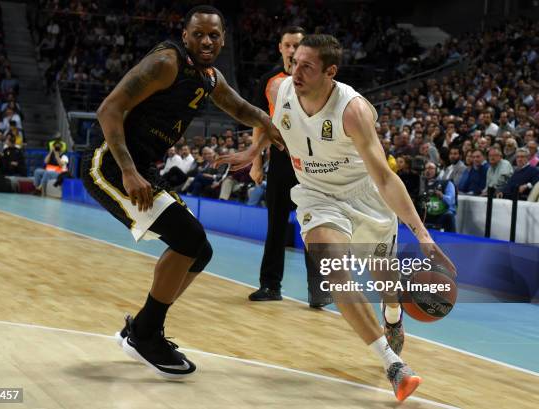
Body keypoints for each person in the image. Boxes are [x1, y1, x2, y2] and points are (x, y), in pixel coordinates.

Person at [218, 34, 455, 402]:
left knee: (385, 283)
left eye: (306, 66)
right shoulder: (280, 88)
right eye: (295, 62)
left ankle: (393, 313)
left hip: (366, 196)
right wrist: (253, 151)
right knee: (334, 267)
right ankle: (393, 364)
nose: (296, 71)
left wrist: (423, 236)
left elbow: (385, 177)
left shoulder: (353, 110)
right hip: (316, 193)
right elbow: (273, 123)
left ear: (330, 72)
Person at [81, 6, 283, 379]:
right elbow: (108, 108)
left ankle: (141, 327)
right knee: (189, 238)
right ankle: (145, 334)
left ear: (223, 39)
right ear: (186, 35)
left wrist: (269, 125)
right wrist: (127, 171)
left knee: (199, 251)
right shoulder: (166, 62)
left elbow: (238, 106)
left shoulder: (208, 77)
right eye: (199, 34)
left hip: (142, 171)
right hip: (110, 167)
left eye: (214, 35)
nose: (207, 41)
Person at [248, 26, 325, 306]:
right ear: (280, 47)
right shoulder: (270, 81)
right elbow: (260, 123)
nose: (293, 50)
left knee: (314, 227)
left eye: (298, 45)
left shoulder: (317, 80)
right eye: (288, 45)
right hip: (280, 159)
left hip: (312, 161)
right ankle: (270, 286)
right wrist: (256, 162)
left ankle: (319, 292)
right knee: (276, 225)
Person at [420, 162, 457, 232]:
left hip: (442, 215)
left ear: (437, 170)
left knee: (449, 216)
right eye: (426, 168)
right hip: (426, 214)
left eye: (430, 168)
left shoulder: (447, 183)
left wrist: (442, 196)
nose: (428, 170)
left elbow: (451, 202)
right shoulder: (421, 184)